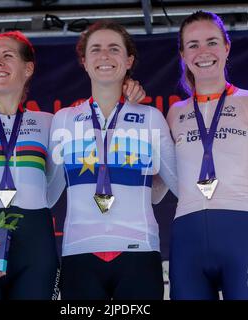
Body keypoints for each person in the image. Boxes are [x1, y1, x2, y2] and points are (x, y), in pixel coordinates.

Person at [0, 31, 145, 300]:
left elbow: (58, 181)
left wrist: (128, 98)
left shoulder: (51, 121)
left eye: (7, 55)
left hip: (36, 238)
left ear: (28, 68)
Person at [163, 11, 248, 300]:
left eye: (211, 41)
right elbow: (158, 188)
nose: (203, 52)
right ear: (183, 55)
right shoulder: (174, 113)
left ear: (227, 47)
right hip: (187, 238)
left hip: (240, 233)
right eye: (193, 45)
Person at [46, 21, 178, 300]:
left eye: (114, 49)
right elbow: (47, 195)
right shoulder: (64, 120)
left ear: (128, 60)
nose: (104, 56)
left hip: (139, 251)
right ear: (84, 61)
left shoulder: (150, 117)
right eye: (95, 49)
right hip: (79, 252)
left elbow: (176, 183)